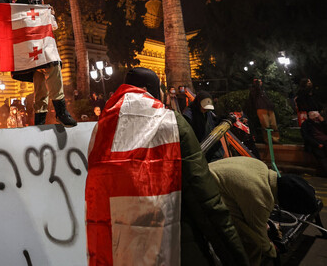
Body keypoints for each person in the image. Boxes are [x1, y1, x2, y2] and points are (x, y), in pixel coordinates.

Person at [86, 68, 248, 265]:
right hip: (174, 246)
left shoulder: (100, 130)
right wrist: (236, 257)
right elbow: (205, 199)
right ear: (147, 89)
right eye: (160, 89)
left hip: (118, 250)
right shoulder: (170, 122)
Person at [0, 0, 76, 127]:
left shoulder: (40, 0)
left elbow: (53, 26)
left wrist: (50, 14)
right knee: (43, 79)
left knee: (50, 70)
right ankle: (56, 114)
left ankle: (52, 116)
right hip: (25, 49)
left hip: (40, 45)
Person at [209, 156, 317, 265]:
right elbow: (258, 235)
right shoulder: (260, 200)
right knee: (253, 243)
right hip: (206, 195)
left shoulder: (260, 166)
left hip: (207, 180)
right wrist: (272, 250)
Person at [246, 79, 280, 143]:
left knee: (273, 124)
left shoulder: (263, 90)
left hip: (269, 108)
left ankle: (275, 139)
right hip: (261, 108)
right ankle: (267, 139)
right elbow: (255, 96)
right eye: (259, 81)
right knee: (265, 125)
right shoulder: (254, 90)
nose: (261, 82)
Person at [301, 111, 327, 176]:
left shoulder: (322, 123)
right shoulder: (306, 124)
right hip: (316, 144)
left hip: (324, 142)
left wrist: (323, 121)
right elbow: (306, 137)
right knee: (322, 158)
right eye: (316, 117)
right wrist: (317, 144)